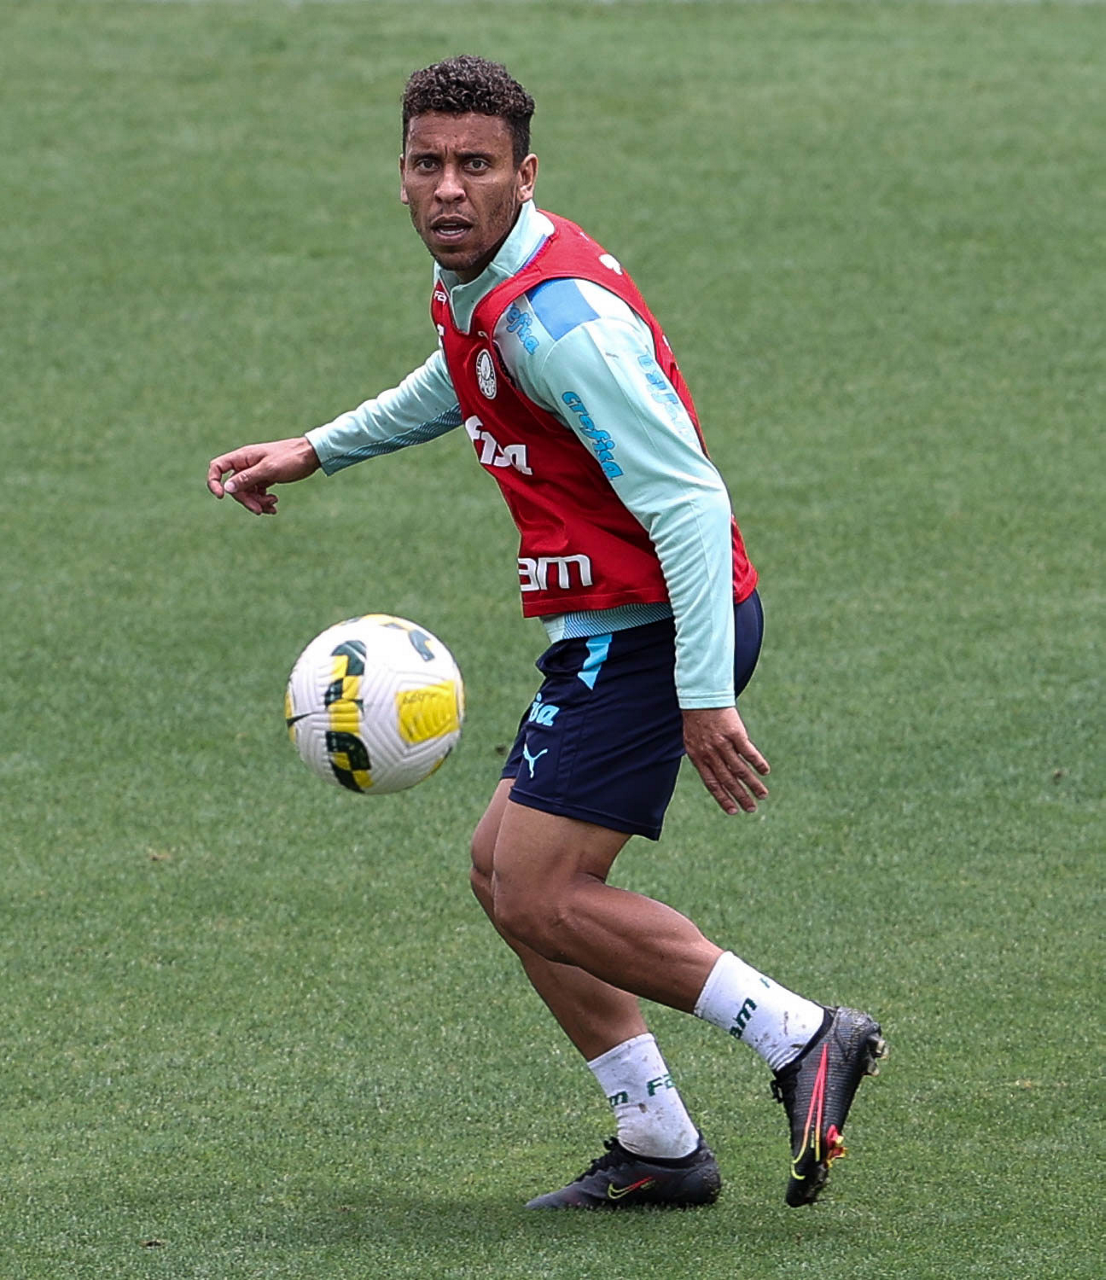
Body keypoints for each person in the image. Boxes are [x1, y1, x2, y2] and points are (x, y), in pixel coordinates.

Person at [207, 55, 885, 1211]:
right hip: (610, 628)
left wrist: (702, 691)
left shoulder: (559, 324)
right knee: (500, 872)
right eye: (427, 163)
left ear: (524, 176)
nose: (448, 188)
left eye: (475, 165)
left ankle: (801, 1035)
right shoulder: (481, 288)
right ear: (400, 173)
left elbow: (689, 502)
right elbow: (462, 378)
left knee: (537, 889)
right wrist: (316, 448)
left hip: (658, 627)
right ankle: (658, 1138)